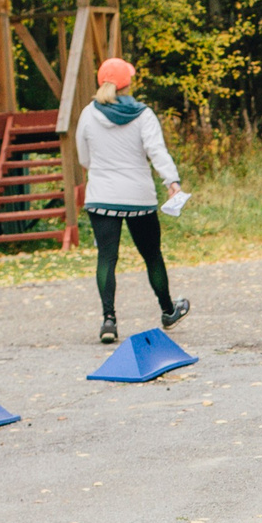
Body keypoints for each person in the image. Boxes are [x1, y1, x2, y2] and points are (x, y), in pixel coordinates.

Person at [73, 56, 189, 344]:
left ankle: (109, 320)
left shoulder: (88, 114)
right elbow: (156, 151)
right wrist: (172, 182)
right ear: (128, 84)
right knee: (152, 256)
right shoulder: (143, 114)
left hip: (101, 197)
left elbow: (84, 158)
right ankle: (168, 311)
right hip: (138, 197)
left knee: (106, 257)